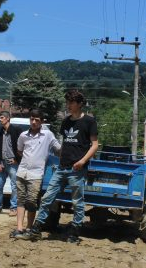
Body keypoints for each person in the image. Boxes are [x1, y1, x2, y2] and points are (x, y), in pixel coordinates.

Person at [17, 90, 98, 244]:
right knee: (47, 198)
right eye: (67, 102)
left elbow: (94, 145)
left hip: (77, 169)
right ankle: (36, 229)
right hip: (62, 167)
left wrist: (82, 161)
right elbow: (63, 145)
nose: (68, 105)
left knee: (77, 202)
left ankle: (75, 232)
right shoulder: (66, 121)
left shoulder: (89, 121)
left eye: (71, 102)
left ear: (79, 104)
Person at [11, 109, 61, 238]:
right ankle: (19, 228)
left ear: (42, 121)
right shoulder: (23, 135)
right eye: (32, 119)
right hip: (22, 172)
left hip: (36, 174)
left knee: (31, 201)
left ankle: (29, 228)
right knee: (20, 200)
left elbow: (58, 148)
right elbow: (20, 151)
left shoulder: (48, 135)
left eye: (37, 120)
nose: (33, 122)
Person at [0, 111, 21, 217]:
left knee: (14, 186)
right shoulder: (0, 132)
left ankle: (13, 208)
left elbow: (22, 146)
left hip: (13, 163)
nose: (0, 119)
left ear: (8, 118)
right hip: (3, 163)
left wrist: (17, 159)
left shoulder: (15, 130)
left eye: (2, 117)